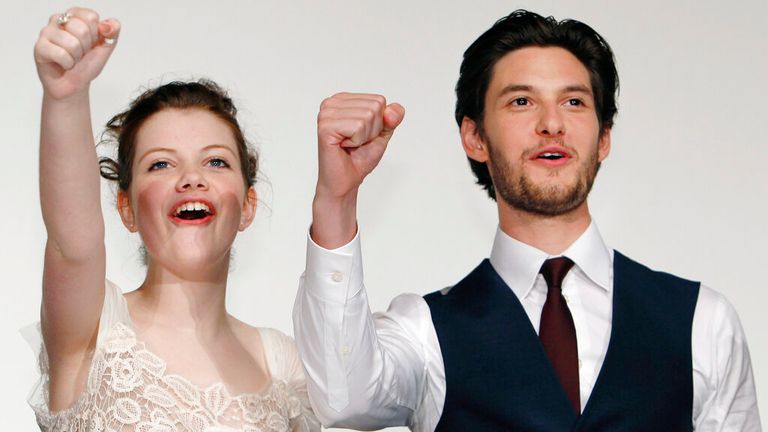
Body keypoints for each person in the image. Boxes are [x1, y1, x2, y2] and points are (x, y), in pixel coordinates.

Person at [293, 9, 761, 432]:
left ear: (603, 140)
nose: (552, 123)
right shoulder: (426, 330)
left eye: (574, 102)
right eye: (521, 101)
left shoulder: (703, 321)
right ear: (474, 137)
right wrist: (337, 198)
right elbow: (343, 398)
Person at [29, 7, 319, 431]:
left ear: (248, 205)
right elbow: (72, 244)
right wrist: (66, 95)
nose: (191, 179)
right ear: (126, 208)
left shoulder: (283, 365)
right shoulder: (94, 329)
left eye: (216, 162)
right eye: (161, 165)